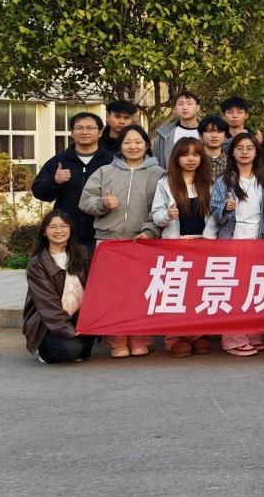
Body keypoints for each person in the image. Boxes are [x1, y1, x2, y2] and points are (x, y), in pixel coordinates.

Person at [78, 125, 162, 359]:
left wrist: (151, 230)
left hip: (142, 241)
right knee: (112, 295)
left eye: (138, 142)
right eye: (127, 142)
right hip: (109, 242)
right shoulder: (105, 171)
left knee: (140, 293)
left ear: (146, 145)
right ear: (120, 146)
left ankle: (140, 339)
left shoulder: (159, 174)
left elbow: (162, 207)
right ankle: (116, 340)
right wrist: (102, 204)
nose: (133, 146)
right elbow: (85, 201)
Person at [205, 132, 264, 356]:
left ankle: (252, 334)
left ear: (256, 153)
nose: (244, 152)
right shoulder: (224, 181)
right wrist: (226, 208)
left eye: (249, 148)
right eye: (239, 148)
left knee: (253, 290)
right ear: (232, 152)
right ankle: (233, 339)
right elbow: (215, 213)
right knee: (233, 292)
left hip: (258, 242)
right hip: (231, 242)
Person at [151, 138, 215, 358]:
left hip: (202, 245)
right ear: (176, 158)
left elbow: (215, 215)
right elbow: (156, 214)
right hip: (175, 245)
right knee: (176, 292)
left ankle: (198, 335)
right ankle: (174, 338)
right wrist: (167, 215)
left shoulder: (209, 182)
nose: (191, 159)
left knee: (199, 292)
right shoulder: (165, 183)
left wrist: (209, 239)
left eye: (195, 154)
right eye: (185, 154)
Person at [22, 212, 93, 365]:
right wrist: (68, 331)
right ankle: (43, 351)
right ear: (44, 231)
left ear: (70, 229)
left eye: (63, 226)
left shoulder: (83, 253)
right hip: (48, 321)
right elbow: (48, 304)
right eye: (52, 227)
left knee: (83, 353)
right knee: (70, 350)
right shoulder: (37, 263)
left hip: (78, 318)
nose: (59, 231)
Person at [32, 111, 107, 249]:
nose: (84, 132)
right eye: (79, 128)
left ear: (100, 133)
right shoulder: (59, 161)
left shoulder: (111, 161)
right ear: (72, 133)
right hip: (67, 235)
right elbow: (38, 191)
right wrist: (54, 181)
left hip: (103, 234)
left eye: (90, 128)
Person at [153, 89, 202, 170]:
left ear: (198, 108)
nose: (185, 107)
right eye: (180, 104)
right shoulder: (164, 134)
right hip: (171, 177)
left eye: (189, 103)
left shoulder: (207, 132)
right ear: (175, 108)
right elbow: (157, 162)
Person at [198, 115, 229, 179]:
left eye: (219, 132)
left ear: (225, 137)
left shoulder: (232, 162)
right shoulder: (195, 161)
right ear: (200, 136)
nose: (214, 135)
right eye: (209, 131)